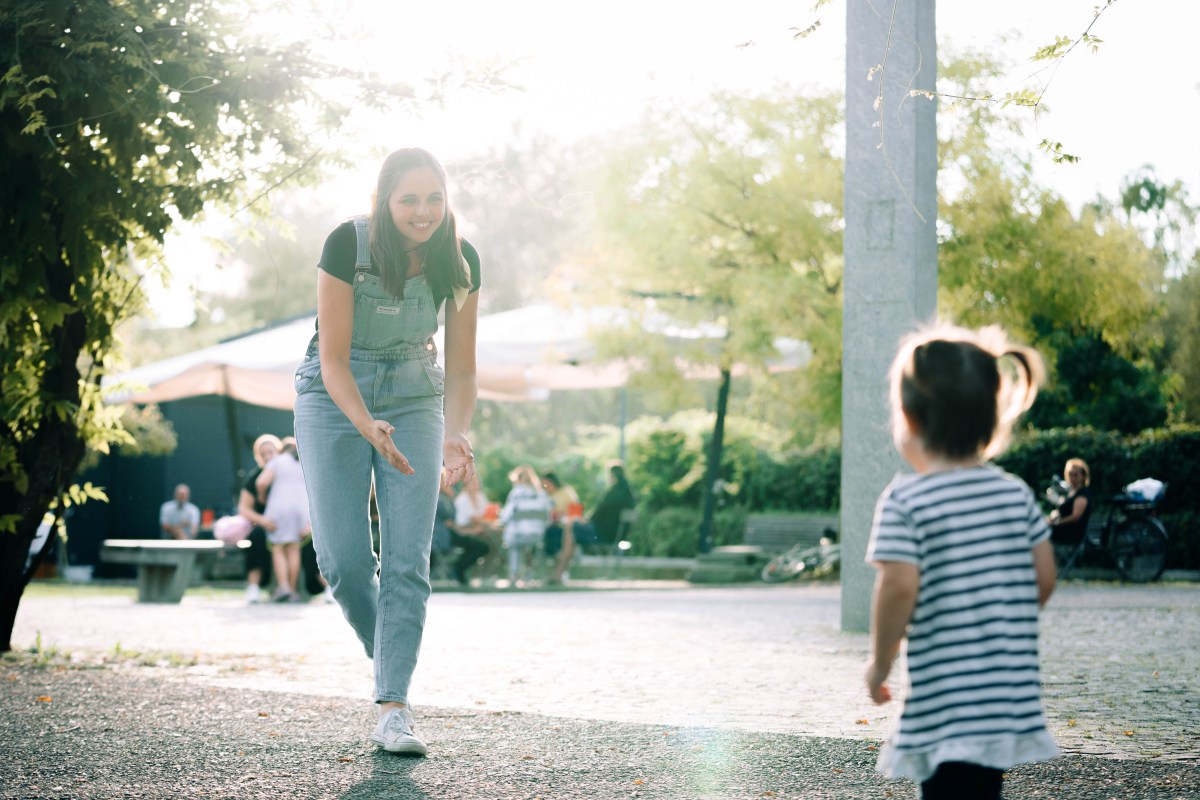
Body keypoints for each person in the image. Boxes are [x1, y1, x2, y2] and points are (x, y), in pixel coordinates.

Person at [292, 147, 480, 756]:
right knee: (343, 562)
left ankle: (393, 707)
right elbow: (333, 358)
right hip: (333, 397)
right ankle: (389, 659)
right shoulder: (348, 246)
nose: (422, 212)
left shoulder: (461, 258)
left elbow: (463, 370)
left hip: (414, 398)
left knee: (408, 558)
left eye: (434, 199)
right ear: (384, 201)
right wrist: (366, 424)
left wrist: (455, 431)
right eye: (409, 200)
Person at [864, 324, 1058, 799]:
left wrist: (879, 663)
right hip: (1002, 688)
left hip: (946, 696)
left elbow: (898, 587)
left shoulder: (906, 500)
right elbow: (1045, 576)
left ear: (908, 418)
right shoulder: (1013, 492)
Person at [551, 461, 636, 582]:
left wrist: (584, 520)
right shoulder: (628, 493)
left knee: (571, 526)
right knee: (572, 527)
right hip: (619, 536)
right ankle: (563, 570)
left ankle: (561, 571)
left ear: (612, 476)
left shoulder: (613, 493)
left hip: (604, 534)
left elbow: (598, 513)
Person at [256, 437, 310, 602]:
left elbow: (261, 482)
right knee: (294, 549)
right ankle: (293, 590)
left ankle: (283, 587)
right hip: (301, 509)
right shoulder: (304, 462)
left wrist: (262, 496)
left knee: (278, 548)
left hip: (279, 508)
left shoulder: (277, 461)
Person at [236, 433, 281, 603]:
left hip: (291, 526)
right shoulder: (254, 477)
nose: (268, 456)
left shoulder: (290, 473)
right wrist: (263, 521)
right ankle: (253, 587)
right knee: (256, 538)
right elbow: (243, 508)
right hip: (264, 525)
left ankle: (322, 586)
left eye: (271, 452)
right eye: (264, 454)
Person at [499, 464, 552, 585]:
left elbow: (505, 516)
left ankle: (514, 574)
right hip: (537, 537)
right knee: (530, 547)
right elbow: (548, 517)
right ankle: (530, 573)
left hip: (518, 535)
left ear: (518, 479)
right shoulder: (542, 495)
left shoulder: (516, 493)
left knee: (514, 545)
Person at [453, 471, 501, 577]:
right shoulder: (462, 499)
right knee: (492, 542)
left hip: (481, 527)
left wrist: (490, 523)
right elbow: (474, 518)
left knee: (496, 541)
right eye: (472, 482)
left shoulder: (480, 497)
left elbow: (486, 515)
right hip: (465, 529)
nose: (475, 484)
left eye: (476, 481)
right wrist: (490, 525)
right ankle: (482, 573)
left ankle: (487, 572)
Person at [541, 470, 580, 583]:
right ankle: (556, 573)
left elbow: (575, 510)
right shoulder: (545, 496)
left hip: (564, 527)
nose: (546, 487)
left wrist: (561, 515)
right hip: (549, 527)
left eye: (547, 484)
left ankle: (560, 573)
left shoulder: (566, 492)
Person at [1049, 457, 1091, 547]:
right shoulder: (1070, 492)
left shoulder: (1082, 495)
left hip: (1071, 534)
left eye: (1075, 475)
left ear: (1083, 476)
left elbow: (1075, 517)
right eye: (1070, 474)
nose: (1072, 478)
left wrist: (1056, 523)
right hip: (1062, 529)